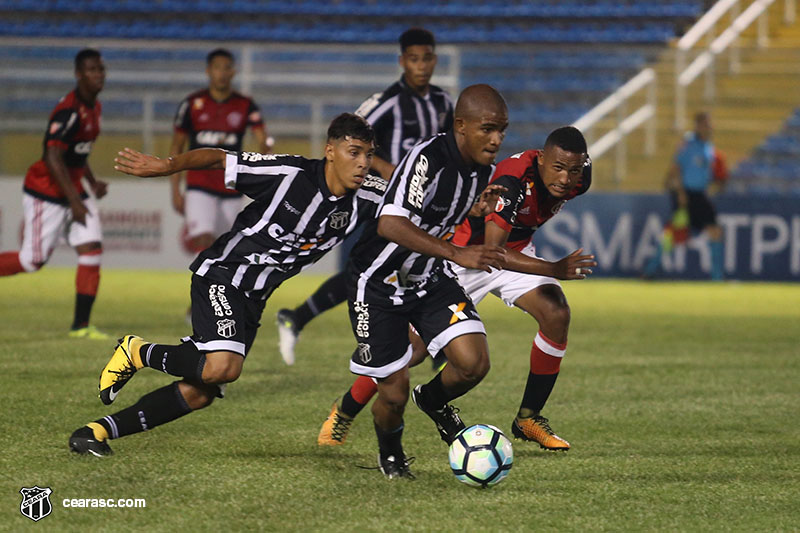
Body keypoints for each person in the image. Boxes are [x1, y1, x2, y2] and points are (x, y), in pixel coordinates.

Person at [68, 113, 382, 456]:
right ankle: (137, 351)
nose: (363, 163)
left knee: (200, 392)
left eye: (368, 154)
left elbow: (409, 199)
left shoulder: (368, 197)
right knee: (223, 367)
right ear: (330, 151)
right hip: (223, 274)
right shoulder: (289, 174)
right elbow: (219, 158)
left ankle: (94, 432)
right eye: (354, 152)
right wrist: (167, 166)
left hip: (254, 298)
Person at [318, 127, 596, 453]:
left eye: (573, 170)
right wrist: (553, 269)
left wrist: (547, 271)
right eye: (558, 169)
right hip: (467, 257)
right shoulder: (512, 182)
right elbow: (495, 252)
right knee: (410, 350)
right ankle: (345, 411)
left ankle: (526, 418)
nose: (565, 179)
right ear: (541, 158)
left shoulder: (580, 178)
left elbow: (509, 248)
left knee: (556, 312)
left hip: (514, 253)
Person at [341, 84, 510, 479]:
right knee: (393, 394)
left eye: (502, 129)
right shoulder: (427, 157)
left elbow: (441, 213)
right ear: (461, 126)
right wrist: (457, 252)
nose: (497, 139)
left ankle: (432, 401)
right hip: (378, 284)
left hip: (427, 278)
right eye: (488, 128)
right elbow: (389, 222)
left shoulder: (481, 170)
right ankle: (391, 455)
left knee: (473, 364)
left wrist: (473, 212)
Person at [276, 27, 454, 365]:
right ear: (402, 61)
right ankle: (430, 342)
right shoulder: (384, 102)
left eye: (427, 58)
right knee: (378, 264)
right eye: (414, 59)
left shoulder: (443, 102)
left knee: (394, 263)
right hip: (382, 197)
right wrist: (388, 170)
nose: (421, 66)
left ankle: (296, 318)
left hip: (423, 201)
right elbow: (349, 138)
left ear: (434, 59)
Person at [0, 48, 110, 339]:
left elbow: (76, 153)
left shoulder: (94, 107)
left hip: (73, 190)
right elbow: (52, 156)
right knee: (31, 262)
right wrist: (74, 200)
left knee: (91, 248)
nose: (98, 74)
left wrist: (92, 182)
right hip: (46, 192)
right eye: (91, 70)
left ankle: (81, 326)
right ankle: (81, 326)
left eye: (100, 69)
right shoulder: (69, 111)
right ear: (78, 74)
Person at [170, 48, 271, 255]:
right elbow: (176, 146)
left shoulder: (245, 105)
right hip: (199, 185)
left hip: (232, 186)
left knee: (225, 247)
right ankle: (200, 286)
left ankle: (216, 286)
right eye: (217, 68)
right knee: (203, 239)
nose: (222, 73)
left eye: (227, 68)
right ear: (208, 71)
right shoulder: (192, 104)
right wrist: (175, 191)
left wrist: (264, 168)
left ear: (233, 72)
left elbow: (264, 141)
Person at [643, 111, 727, 280]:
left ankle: (717, 276)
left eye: (710, 124)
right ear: (698, 126)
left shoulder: (708, 147)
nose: (709, 127)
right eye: (706, 124)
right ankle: (650, 270)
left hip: (699, 194)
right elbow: (676, 168)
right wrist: (680, 193)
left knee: (714, 231)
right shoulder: (689, 145)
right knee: (673, 233)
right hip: (686, 195)